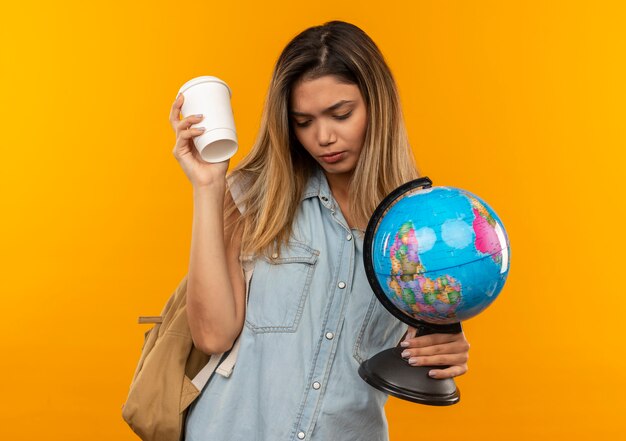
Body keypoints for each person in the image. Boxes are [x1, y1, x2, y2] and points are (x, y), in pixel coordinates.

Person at [169, 20, 470, 441]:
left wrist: (446, 346)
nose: (323, 137)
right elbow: (213, 334)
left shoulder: (418, 228)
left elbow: (421, 348)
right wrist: (208, 187)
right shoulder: (255, 197)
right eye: (303, 121)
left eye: (341, 114)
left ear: (377, 105)